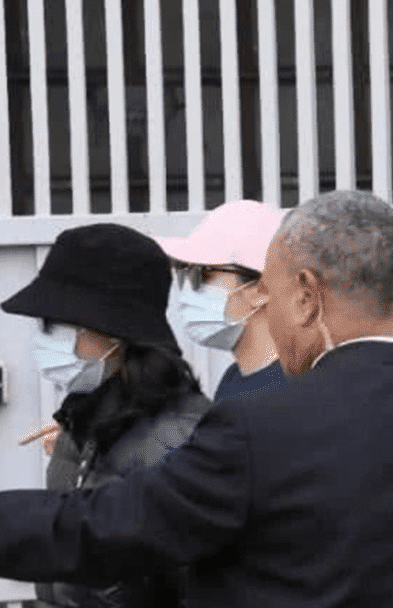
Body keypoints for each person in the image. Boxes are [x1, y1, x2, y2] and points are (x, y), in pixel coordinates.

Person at [0, 190, 393, 607]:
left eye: (270, 289)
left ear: (307, 296)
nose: (267, 311)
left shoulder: (254, 433)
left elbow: (105, 527)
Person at [1, 223, 211, 608]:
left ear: (113, 334)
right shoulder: (86, 423)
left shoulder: (177, 443)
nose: (42, 339)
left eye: (54, 325)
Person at [153, 199, 289, 404]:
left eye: (204, 274)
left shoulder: (284, 391)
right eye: (184, 272)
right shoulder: (235, 377)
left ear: (261, 290)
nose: (188, 289)